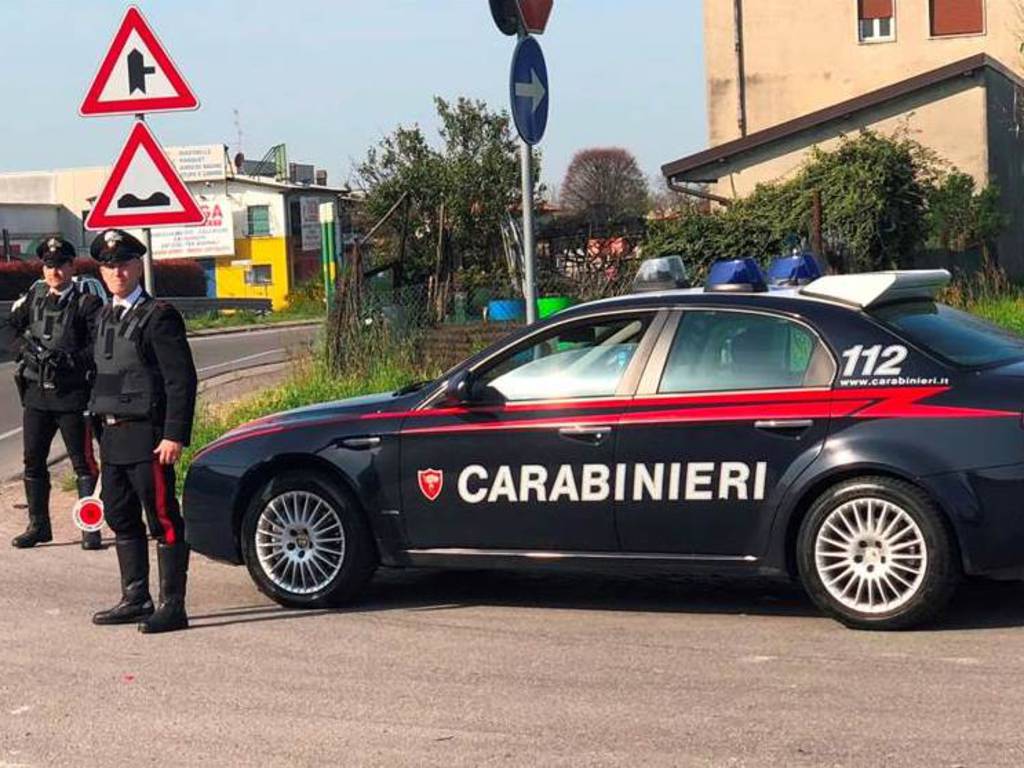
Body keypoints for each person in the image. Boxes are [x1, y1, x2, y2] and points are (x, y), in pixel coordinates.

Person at [88, 229, 197, 634]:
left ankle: (173, 605)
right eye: (108, 266)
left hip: (149, 436)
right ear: (100, 271)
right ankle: (136, 597)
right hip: (113, 436)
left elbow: (180, 380)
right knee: (119, 516)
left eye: (123, 264)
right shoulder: (103, 317)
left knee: (164, 519)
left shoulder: (159, 316)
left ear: (138, 266)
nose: (116, 272)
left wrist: (174, 434)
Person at [4, 236, 103, 550]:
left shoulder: (87, 303)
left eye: (61, 264)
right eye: (49, 265)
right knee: (32, 461)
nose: (54, 271)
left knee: (82, 463)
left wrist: (72, 360)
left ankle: (91, 527)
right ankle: (38, 526)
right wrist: (23, 351)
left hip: (72, 395)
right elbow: (7, 329)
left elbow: (99, 345)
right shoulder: (34, 298)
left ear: (72, 266)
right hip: (36, 395)